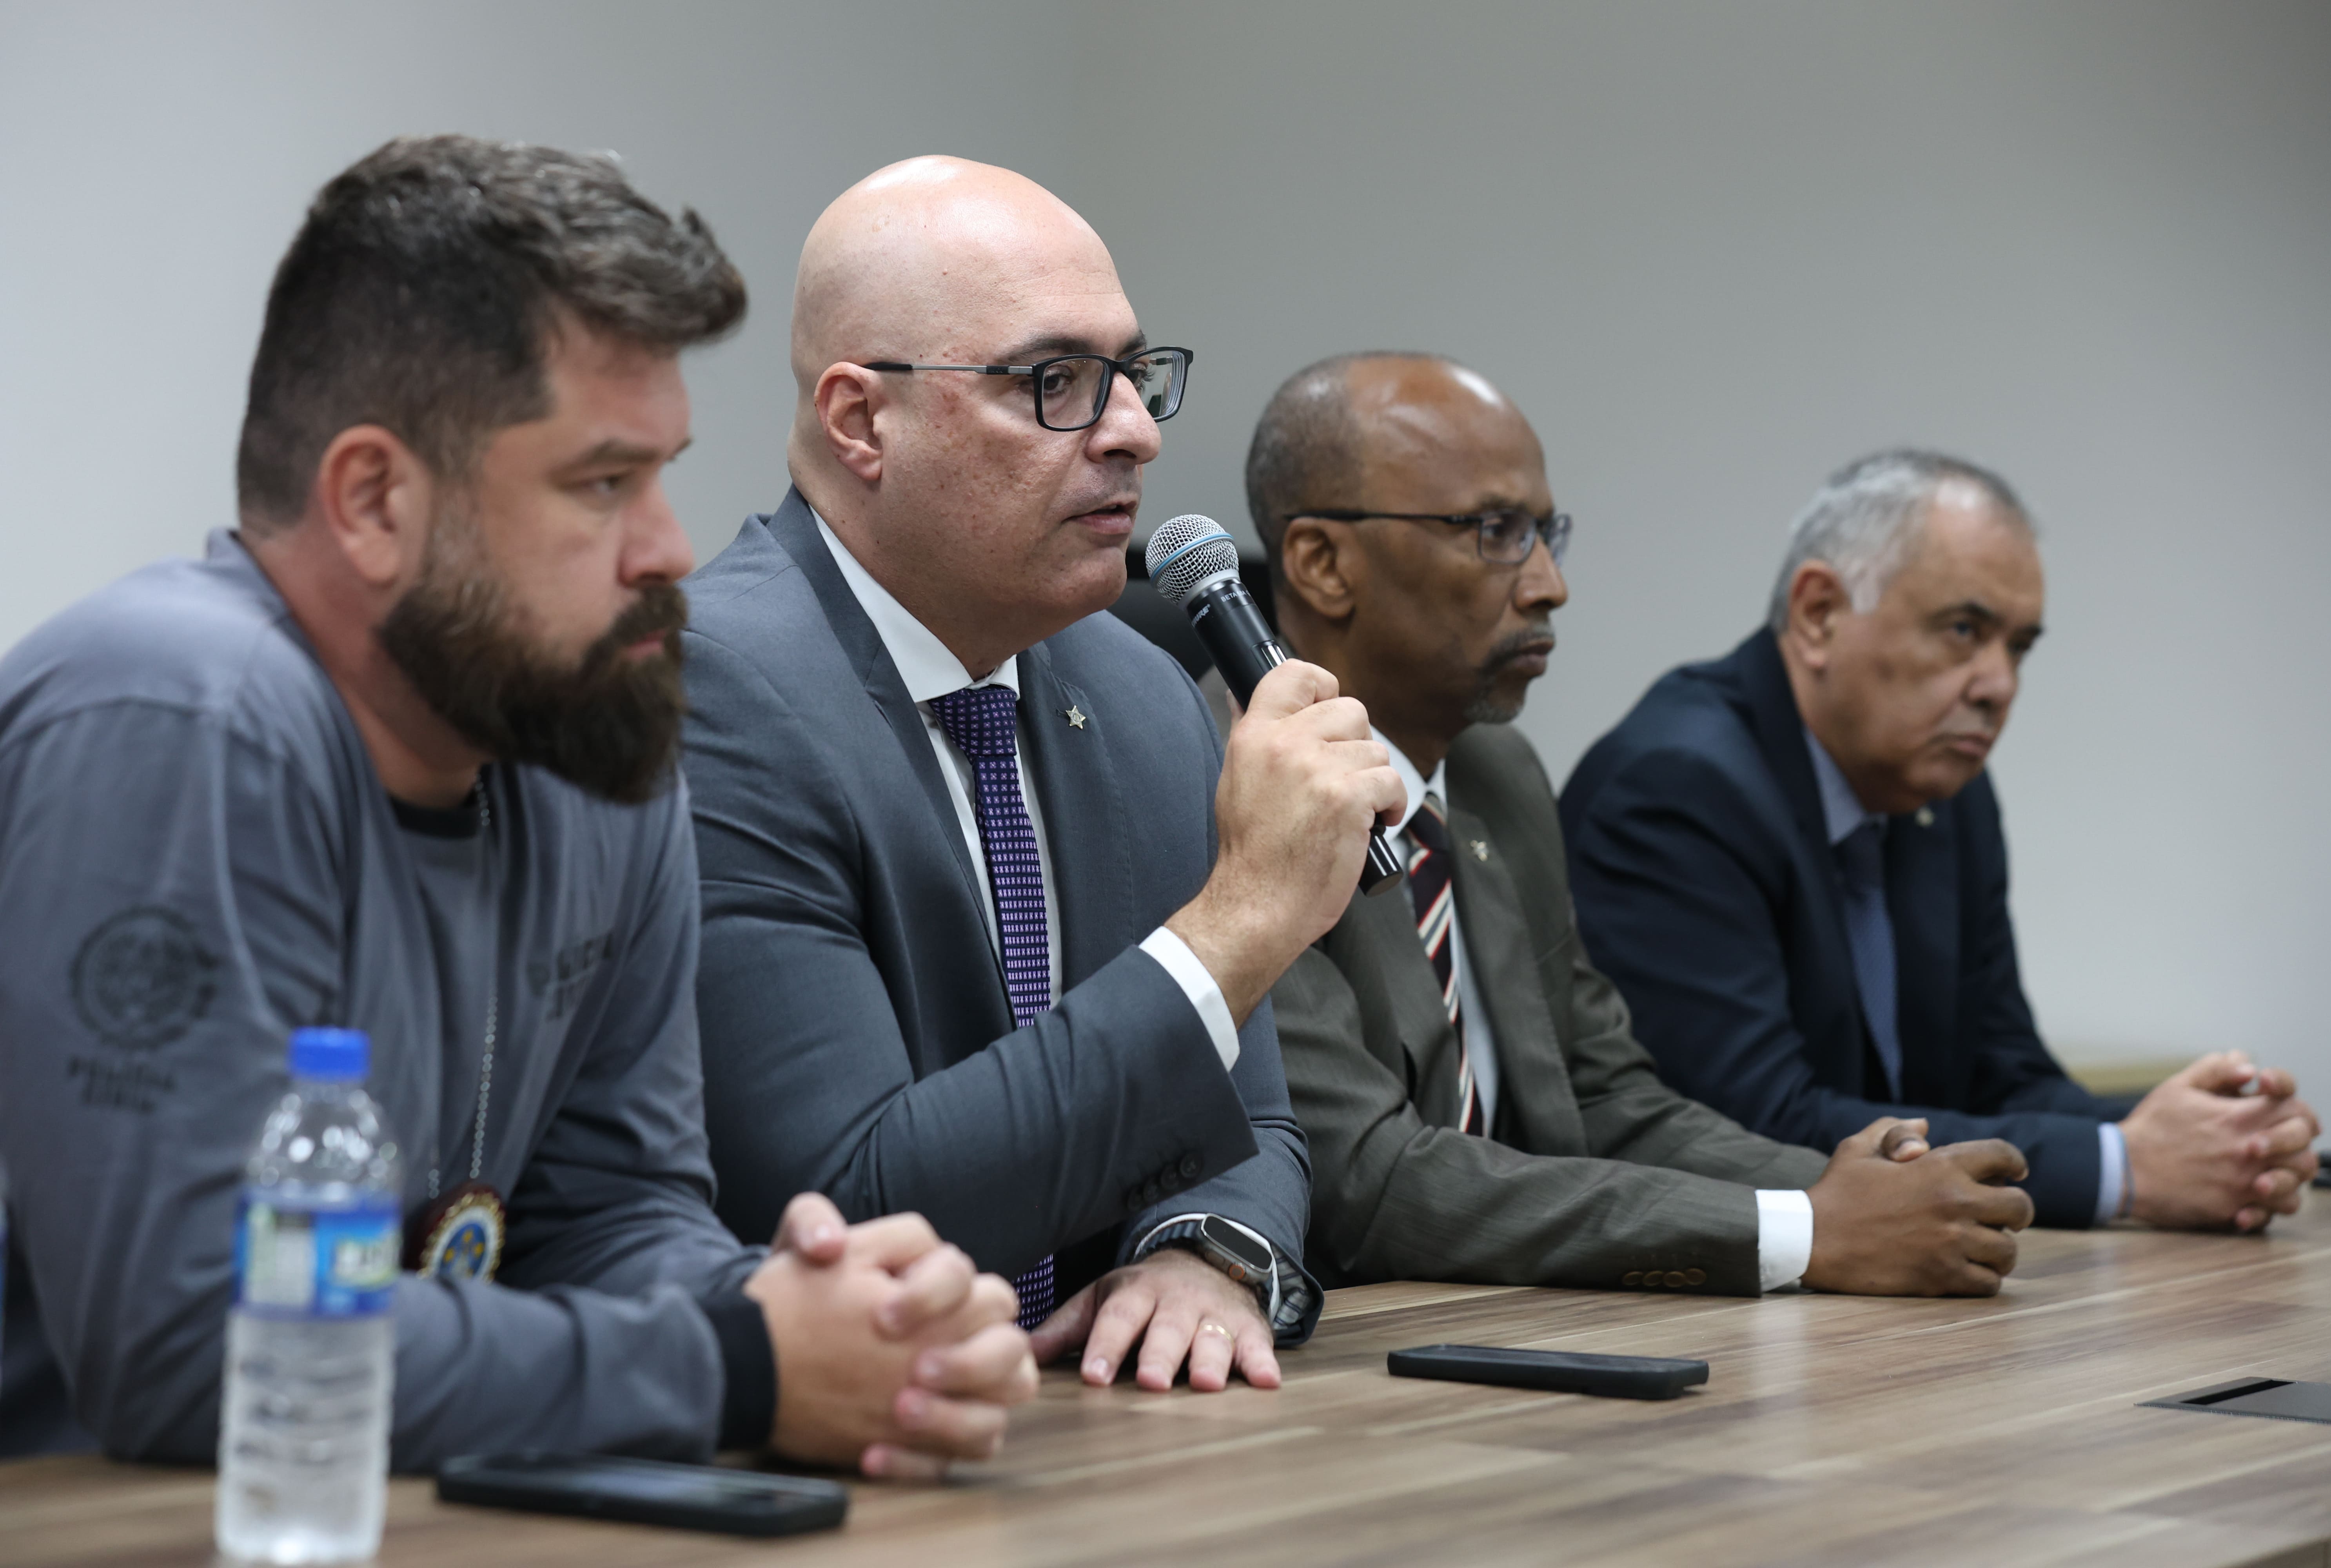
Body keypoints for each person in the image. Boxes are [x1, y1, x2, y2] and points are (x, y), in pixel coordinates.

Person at [0, 136, 1035, 1478]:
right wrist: (741, 1365)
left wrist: (843, 1326)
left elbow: (607, 1219)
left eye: (663, 472)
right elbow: (201, 1348)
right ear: (375, 500)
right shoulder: (177, 717)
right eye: (602, 483)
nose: (669, 545)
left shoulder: (584, 737)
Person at [682, 158, 1404, 1392]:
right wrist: (1244, 922)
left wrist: (1206, 1252)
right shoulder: (711, 685)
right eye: (1054, 383)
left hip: (1093, 1443)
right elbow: (852, 1201)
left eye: (1133, 375)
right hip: (830, 1446)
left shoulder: (1133, 689)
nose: (1137, 430)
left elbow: (1249, 1118)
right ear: (862, 421)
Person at [1251, 352, 2033, 1297]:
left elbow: (1606, 1095)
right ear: (1323, 564)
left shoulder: (1498, 776)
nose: (1548, 585)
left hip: (1524, 1322)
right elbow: (1371, 1183)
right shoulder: (1223, 780)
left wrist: (1851, 1190)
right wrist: (1799, 1229)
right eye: (1495, 531)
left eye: (1546, 533)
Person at [1559, 449, 2320, 1231]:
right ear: (1819, 612)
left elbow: (2002, 1078)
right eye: (1964, 629)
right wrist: (2123, 1168)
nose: (1999, 684)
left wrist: (2202, 1136)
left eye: (2018, 646)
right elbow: (1749, 1125)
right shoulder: (1677, 785)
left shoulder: (1941, 790)